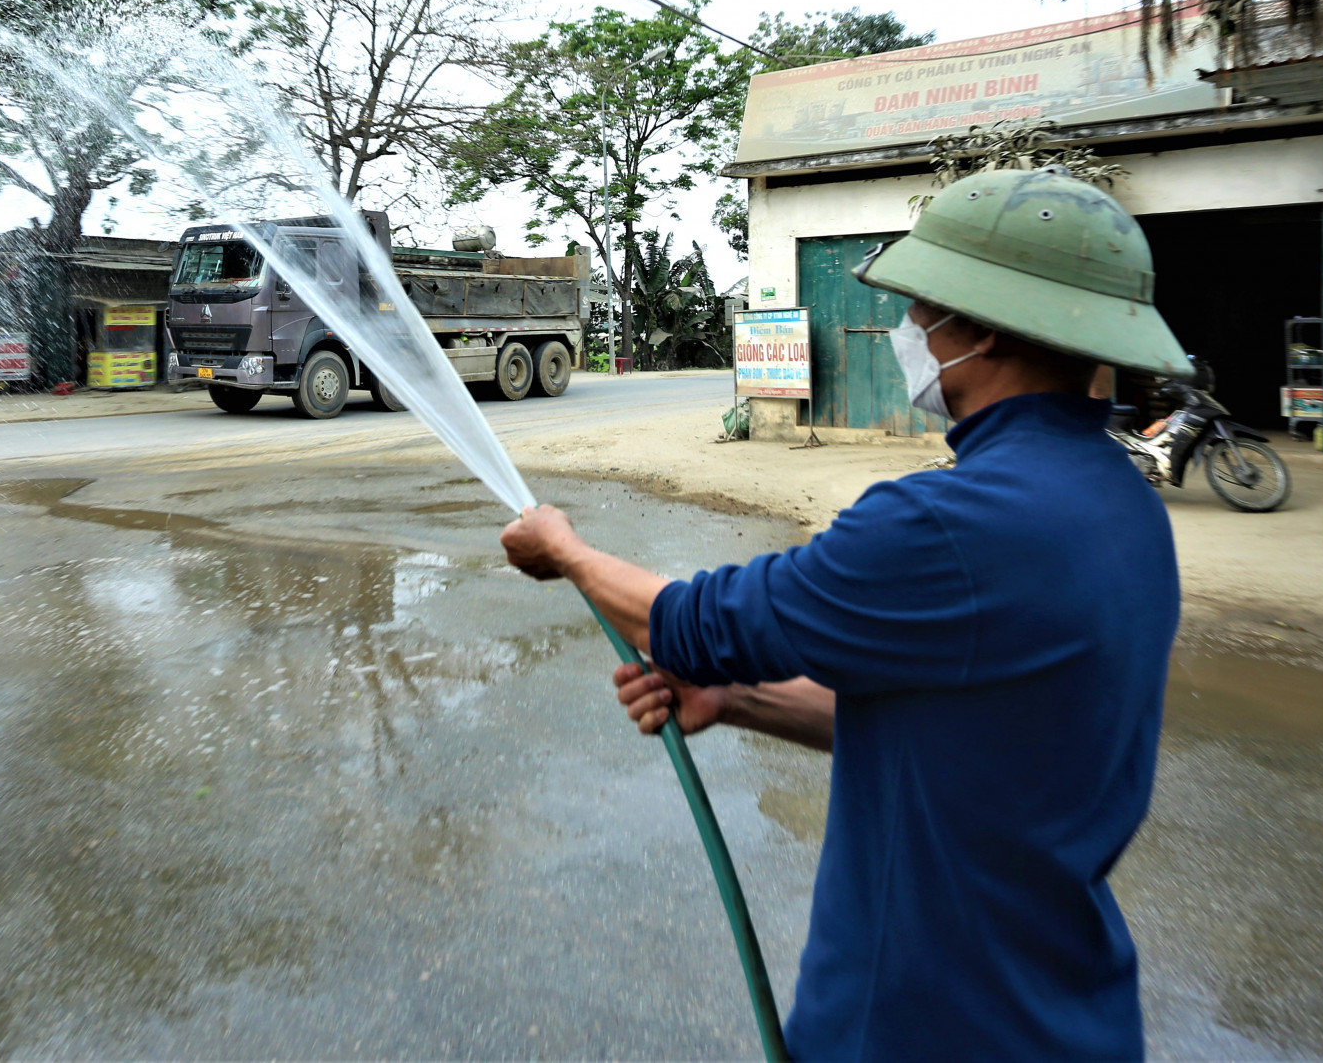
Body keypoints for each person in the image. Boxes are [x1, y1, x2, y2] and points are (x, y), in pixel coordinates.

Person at [502, 165, 1193, 1061]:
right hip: (1070, 1014)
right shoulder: (1123, 505)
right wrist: (737, 701)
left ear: (978, 331)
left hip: (918, 1020)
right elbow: (963, 723)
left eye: (922, 308)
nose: (910, 330)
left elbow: (701, 626)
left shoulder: (947, 525)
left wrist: (569, 552)